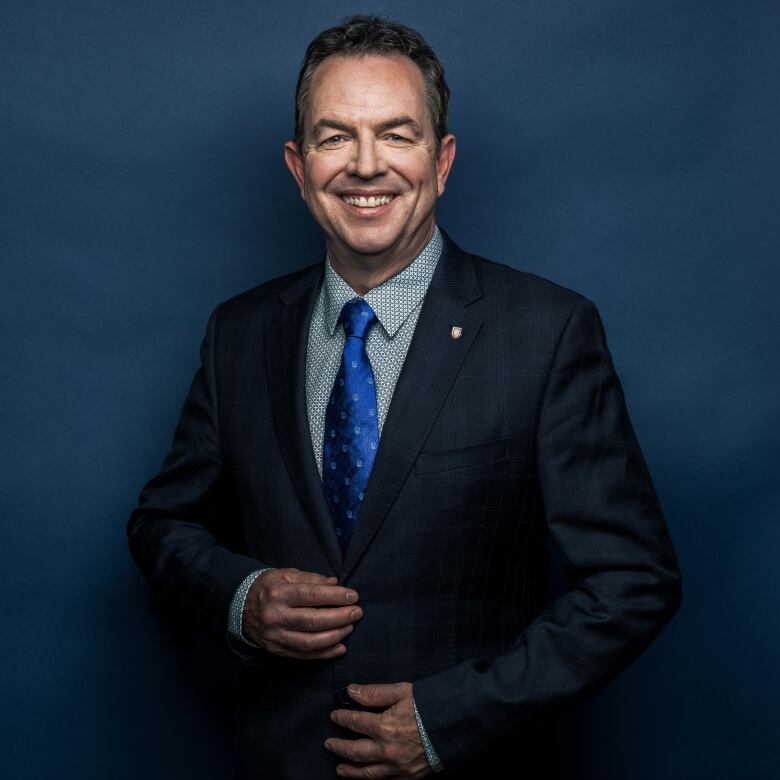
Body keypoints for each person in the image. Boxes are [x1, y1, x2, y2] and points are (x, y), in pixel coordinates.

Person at [127, 14, 682, 780]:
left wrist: (451, 719)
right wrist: (240, 597)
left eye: (396, 134)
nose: (364, 165)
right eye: (334, 137)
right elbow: (163, 524)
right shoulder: (240, 334)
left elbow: (634, 581)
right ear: (298, 165)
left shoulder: (547, 331)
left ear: (441, 159)